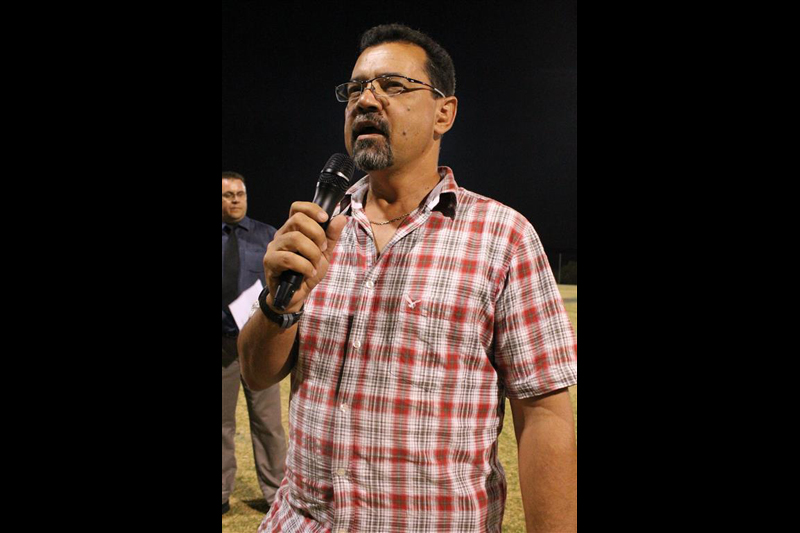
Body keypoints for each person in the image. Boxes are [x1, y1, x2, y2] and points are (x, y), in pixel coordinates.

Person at [238, 24, 577, 532]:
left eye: (393, 86)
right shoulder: (315, 229)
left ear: (444, 113)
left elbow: (544, 414)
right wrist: (278, 303)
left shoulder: (502, 237)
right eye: (356, 88)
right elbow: (257, 373)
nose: (366, 100)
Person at [222, 171, 286, 516]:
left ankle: (276, 494)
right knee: (221, 424)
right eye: (227, 194)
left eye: (240, 193)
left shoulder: (267, 235)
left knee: (269, 423)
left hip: (259, 344)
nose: (235, 199)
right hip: (222, 345)